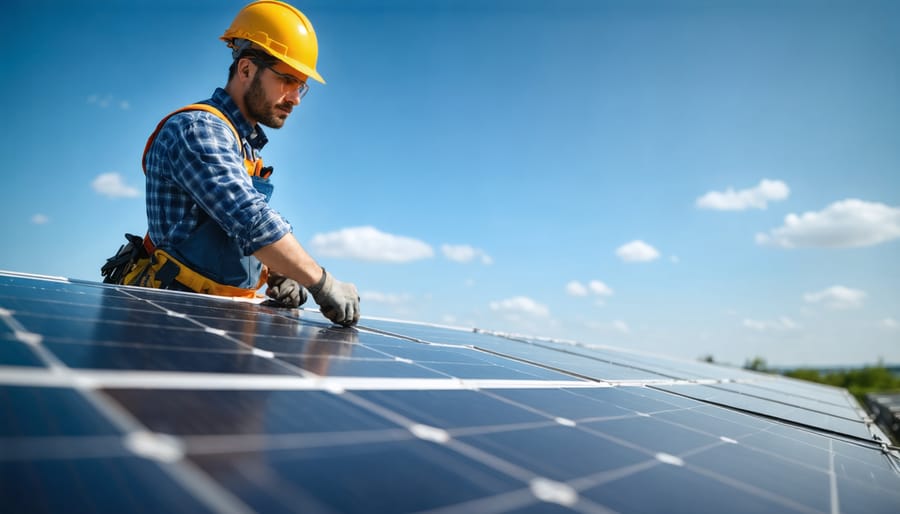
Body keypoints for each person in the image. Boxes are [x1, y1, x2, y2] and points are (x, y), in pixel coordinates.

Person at [116, 0, 359, 327]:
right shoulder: (200, 131)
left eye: (302, 85)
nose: (296, 97)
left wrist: (276, 273)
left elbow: (227, 229)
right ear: (246, 70)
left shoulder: (242, 144)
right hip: (174, 321)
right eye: (287, 79)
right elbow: (250, 219)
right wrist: (321, 281)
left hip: (212, 318)